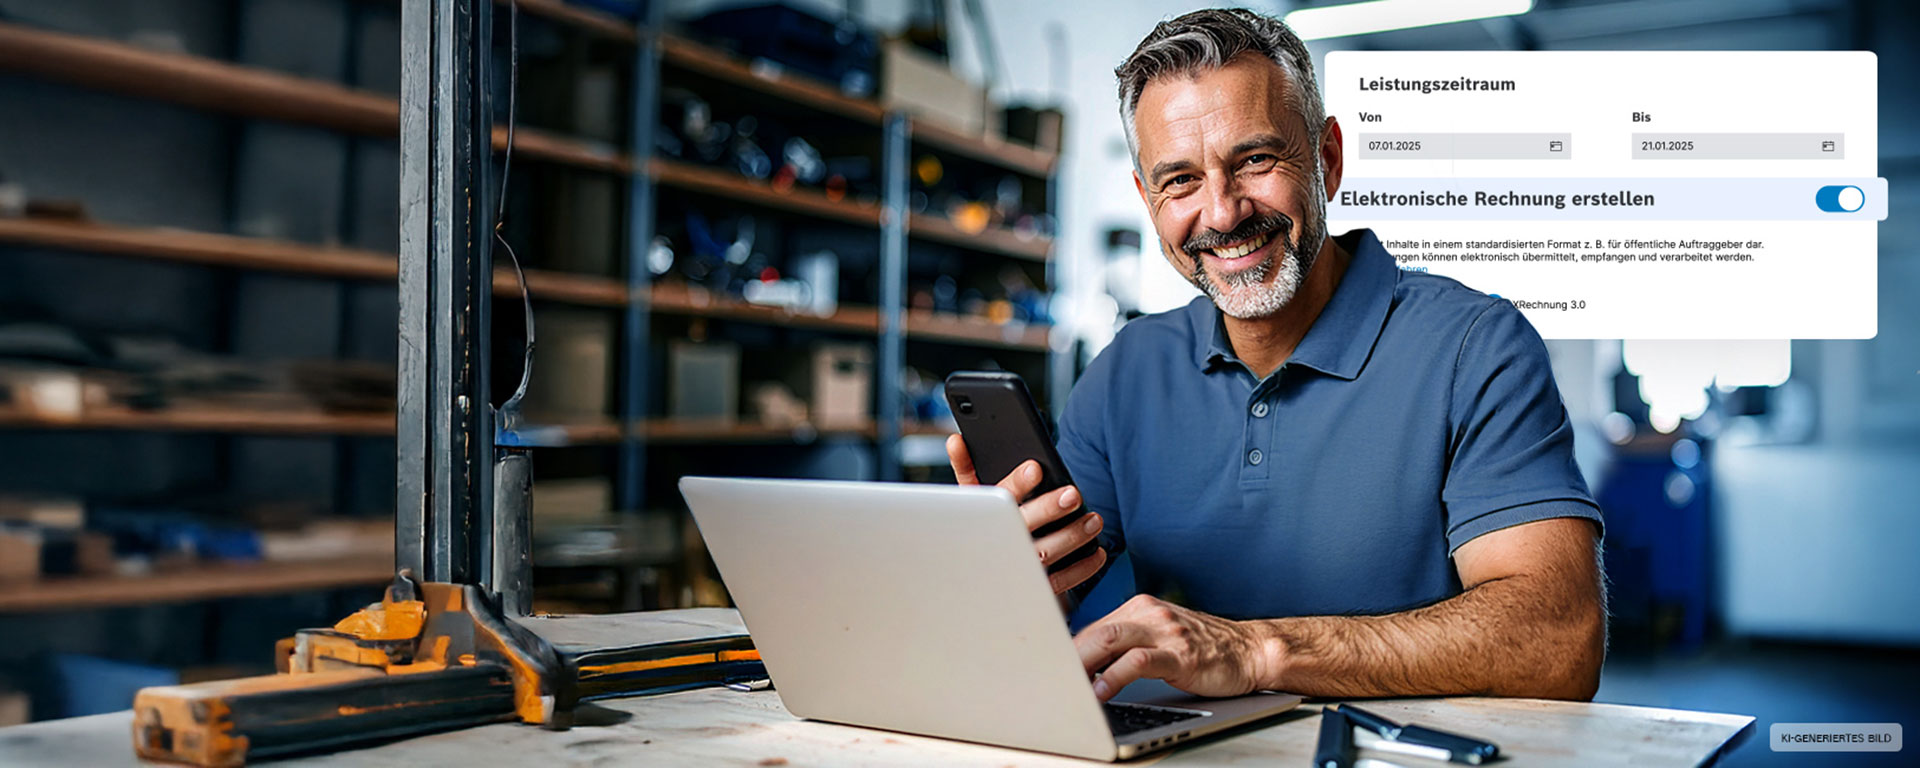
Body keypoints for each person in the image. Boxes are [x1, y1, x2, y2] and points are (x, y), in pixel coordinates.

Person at [946, 8, 1605, 702]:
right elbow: (1045, 611)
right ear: (1147, 198)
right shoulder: (1126, 370)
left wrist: (1260, 652)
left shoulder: (1476, 347)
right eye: (1180, 180)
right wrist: (1006, 568)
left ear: (1327, 160)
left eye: (1255, 161)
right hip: (1195, 749)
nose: (1223, 213)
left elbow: (1558, 639)